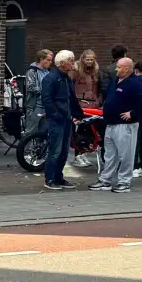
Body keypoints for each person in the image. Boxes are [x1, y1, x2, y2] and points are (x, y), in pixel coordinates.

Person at [90, 58, 142, 193]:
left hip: (125, 125)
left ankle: (124, 182)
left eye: (119, 67)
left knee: (125, 154)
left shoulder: (135, 83)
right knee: (110, 155)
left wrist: (133, 114)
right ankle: (106, 180)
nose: (116, 69)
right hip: (111, 123)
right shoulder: (116, 81)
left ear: (127, 69)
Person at [41, 50, 84, 190]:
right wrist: (55, 114)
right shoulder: (51, 78)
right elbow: (47, 99)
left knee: (64, 150)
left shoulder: (66, 78)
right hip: (57, 119)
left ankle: (59, 177)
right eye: (70, 60)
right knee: (55, 150)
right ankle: (50, 178)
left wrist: (78, 113)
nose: (73, 62)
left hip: (66, 118)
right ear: (62, 62)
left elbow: (71, 98)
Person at [69, 49, 101, 167]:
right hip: (80, 103)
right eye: (87, 59)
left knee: (90, 131)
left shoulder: (96, 70)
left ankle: (84, 154)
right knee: (80, 130)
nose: (89, 62)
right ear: (82, 59)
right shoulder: (76, 70)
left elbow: (97, 87)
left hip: (93, 103)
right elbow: (71, 85)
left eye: (92, 59)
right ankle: (78, 155)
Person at [23, 49, 53, 136]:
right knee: (30, 130)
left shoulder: (48, 72)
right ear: (41, 59)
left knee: (43, 131)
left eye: (51, 60)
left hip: (46, 105)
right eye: (48, 60)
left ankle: (39, 149)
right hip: (35, 105)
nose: (50, 62)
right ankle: (26, 149)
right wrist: (45, 91)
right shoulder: (32, 71)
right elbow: (30, 87)